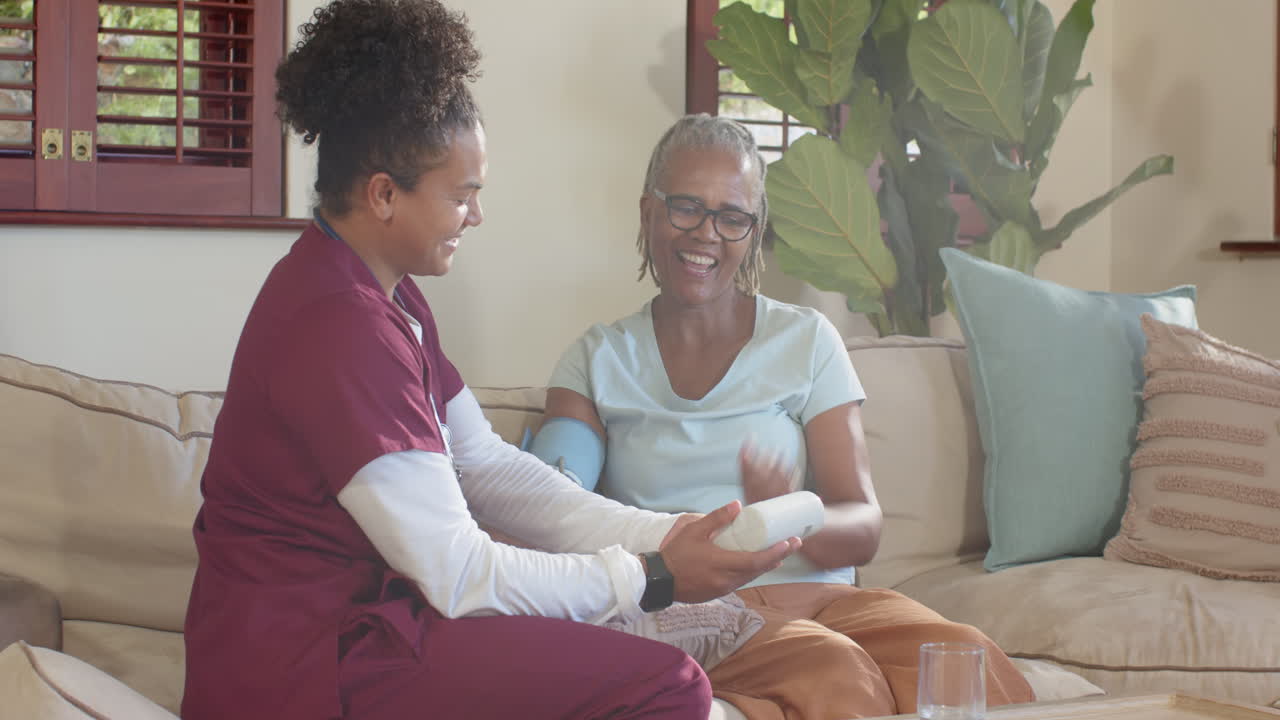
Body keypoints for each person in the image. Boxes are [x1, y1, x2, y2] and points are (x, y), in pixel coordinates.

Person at [180, 6, 798, 720]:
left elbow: (488, 469)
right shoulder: (337, 323)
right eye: (462, 195)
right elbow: (459, 572)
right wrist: (653, 578)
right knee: (669, 686)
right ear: (384, 194)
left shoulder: (386, 296)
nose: (475, 216)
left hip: (365, 631)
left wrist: (666, 535)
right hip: (301, 670)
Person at [536, 113, 1037, 720]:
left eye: (732, 217)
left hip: (823, 600)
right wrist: (551, 478)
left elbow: (864, 522)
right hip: (697, 610)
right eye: (686, 207)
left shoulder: (806, 340)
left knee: (967, 661)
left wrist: (791, 517)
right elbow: (550, 499)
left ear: (754, 229)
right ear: (649, 212)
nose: (707, 235)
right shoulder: (596, 360)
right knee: (834, 674)